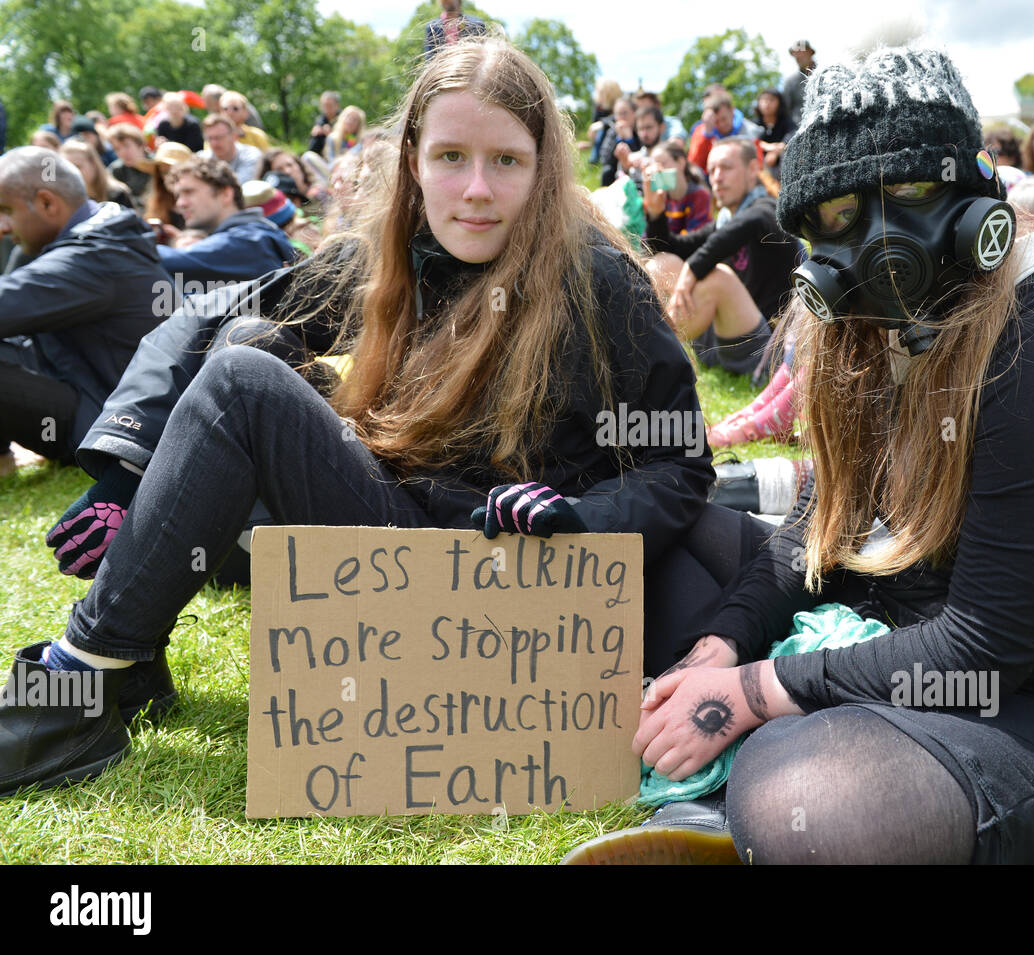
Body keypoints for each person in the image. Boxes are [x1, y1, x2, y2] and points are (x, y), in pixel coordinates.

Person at [0, 38, 713, 796]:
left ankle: (72, 694)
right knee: (251, 340)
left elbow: (682, 462)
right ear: (412, 160)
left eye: (506, 160)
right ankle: (128, 663)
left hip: (510, 589)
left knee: (243, 382)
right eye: (450, 157)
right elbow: (211, 315)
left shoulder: (597, 281)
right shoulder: (389, 256)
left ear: (543, 168)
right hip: (401, 542)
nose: (476, 189)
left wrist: (580, 516)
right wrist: (119, 472)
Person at [565, 48, 1034, 865]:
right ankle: (728, 776)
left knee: (805, 787)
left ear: (979, 199)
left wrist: (750, 695)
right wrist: (721, 648)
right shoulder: (870, 332)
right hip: (902, 619)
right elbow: (816, 527)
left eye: (910, 192)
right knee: (687, 547)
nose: (879, 239)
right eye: (838, 211)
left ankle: (736, 809)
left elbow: (985, 646)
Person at [0, 147, 168, 472]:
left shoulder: (94, 257)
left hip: (106, 425)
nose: (3, 227)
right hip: (91, 392)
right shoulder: (105, 234)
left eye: (6, 210)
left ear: (48, 202)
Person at [643, 136, 802, 382]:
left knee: (718, 278)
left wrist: (691, 273)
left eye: (726, 168)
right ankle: (646, 337)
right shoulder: (725, 219)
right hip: (724, 339)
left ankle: (646, 347)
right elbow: (668, 247)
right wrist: (655, 214)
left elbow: (749, 223)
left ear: (752, 169)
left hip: (764, 349)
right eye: (712, 169)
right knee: (663, 262)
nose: (716, 177)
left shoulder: (769, 212)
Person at [154, 156, 296, 284]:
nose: (180, 203)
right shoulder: (252, 235)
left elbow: (168, 260)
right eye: (178, 195)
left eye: (189, 192)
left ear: (226, 194)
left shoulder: (251, 240)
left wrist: (137, 238)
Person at [643, 142, 712, 235]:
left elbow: (693, 239)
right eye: (653, 166)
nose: (657, 170)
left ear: (681, 162)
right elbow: (647, 239)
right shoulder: (659, 197)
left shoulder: (699, 195)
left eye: (662, 164)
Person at [59, 140, 136, 211]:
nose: (73, 172)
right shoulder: (67, 198)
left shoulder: (117, 194)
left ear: (93, 164)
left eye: (78, 166)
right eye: (68, 168)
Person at [200, 114, 262, 183]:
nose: (214, 143)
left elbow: (240, 185)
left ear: (234, 136)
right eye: (210, 138)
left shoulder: (250, 155)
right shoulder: (201, 159)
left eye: (219, 137)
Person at [105, 124, 154, 205]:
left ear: (140, 145)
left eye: (126, 146)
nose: (122, 152)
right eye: (117, 149)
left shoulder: (157, 165)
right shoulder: (115, 171)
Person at [754, 89, 794, 179]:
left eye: (771, 100)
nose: (767, 103)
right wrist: (768, 147)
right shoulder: (754, 123)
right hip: (760, 166)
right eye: (764, 100)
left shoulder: (786, 121)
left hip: (781, 163)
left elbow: (792, 136)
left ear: (779, 103)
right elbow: (750, 140)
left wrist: (776, 151)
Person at [782, 40, 816, 127]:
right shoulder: (790, 82)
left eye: (801, 51)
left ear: (810, 52)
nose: (797, 55)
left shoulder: (826, 74)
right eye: (794, 53)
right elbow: (786, 110)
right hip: (798, 128)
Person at [308, 91, 341, 156]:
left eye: (329, 105)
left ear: (337, 105)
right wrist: (313, 135)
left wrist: (332, 134)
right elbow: (312, 149)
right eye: (324, 105)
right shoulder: (320, 120)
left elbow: (351, 140)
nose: (327, 108)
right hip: (323, 157)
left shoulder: (344, 118)